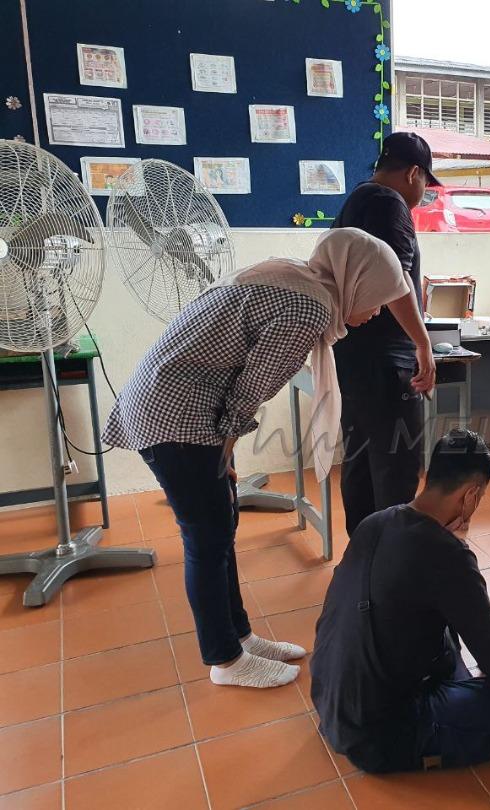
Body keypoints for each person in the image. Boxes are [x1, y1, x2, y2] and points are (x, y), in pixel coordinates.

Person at [103, 229, 430, 689]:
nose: (377, 311)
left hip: (176, 403)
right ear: (356, 280)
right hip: (177, 415)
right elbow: (251, 390)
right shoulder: (309, 307)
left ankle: (239, 637)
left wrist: (223, 449)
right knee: (207, 536)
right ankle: (225, 660)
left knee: (221, 525)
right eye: (377, 299)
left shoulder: (297, 276)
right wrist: (226, 443)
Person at [310, 429, 490, 773]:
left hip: (332, 700)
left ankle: (461, 706)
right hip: (382, 736)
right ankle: (473, 734)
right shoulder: (449, 556)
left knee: (445, 629)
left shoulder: (375, 522)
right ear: (471, 495)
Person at [332, 131, 439, 536]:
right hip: (387, 362)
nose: (424, 191)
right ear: (414, 173)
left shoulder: (356, 200)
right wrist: (422, 343)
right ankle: (389, 570)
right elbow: (395, 282)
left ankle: (360, 561)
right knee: (397, 466)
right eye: (426, 182)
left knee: (359, 462)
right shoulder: (390, 204)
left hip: (354, 358)